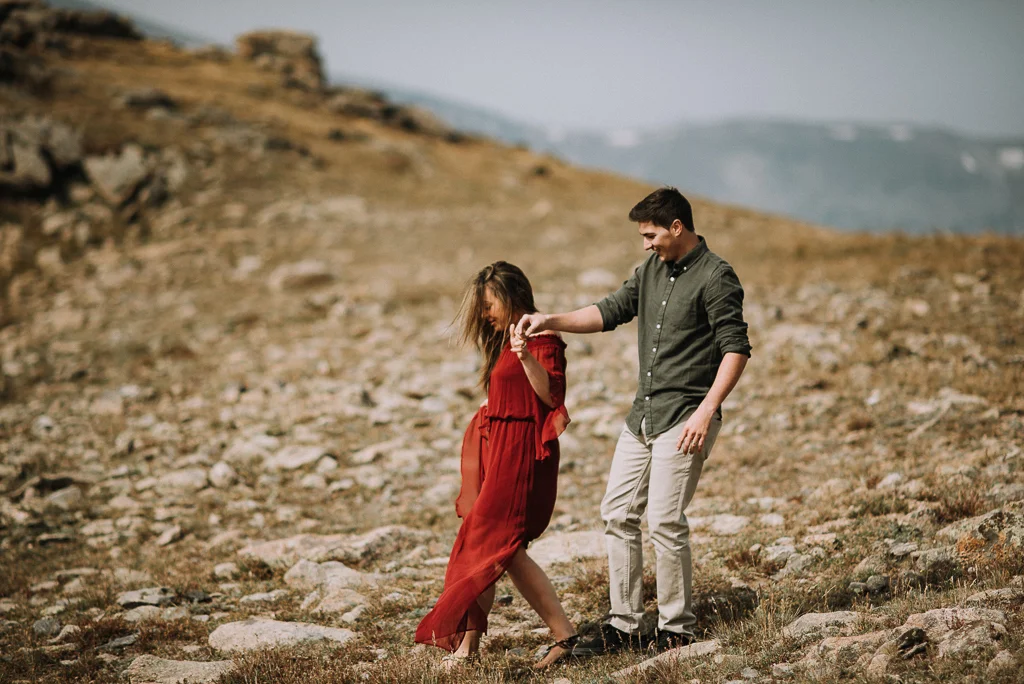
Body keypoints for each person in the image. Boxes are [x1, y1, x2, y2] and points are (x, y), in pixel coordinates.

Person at [516, 187, 751, 656]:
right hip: (642, 416)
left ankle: (676, 628)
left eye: (650, 234)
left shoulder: (717, 277)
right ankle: (625, 624)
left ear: (677, 227)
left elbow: (736, 349)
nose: (645, 243)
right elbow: (609, 311)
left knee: (665, 520)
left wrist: (706, 412)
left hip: (686, 417)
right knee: (617, 514)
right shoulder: (649, 271)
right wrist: (549, 321)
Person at [415, 261, 579, 670]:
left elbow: (550, 395)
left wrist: (524, 357)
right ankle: (481, 646)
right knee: (498, 547)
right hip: (501, 449)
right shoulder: (505, 340)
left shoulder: (542, 337)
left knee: (493, 543)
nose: (486, 314)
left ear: (512, 297)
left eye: (490, 305)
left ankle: (555, 635)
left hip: (521, 453)